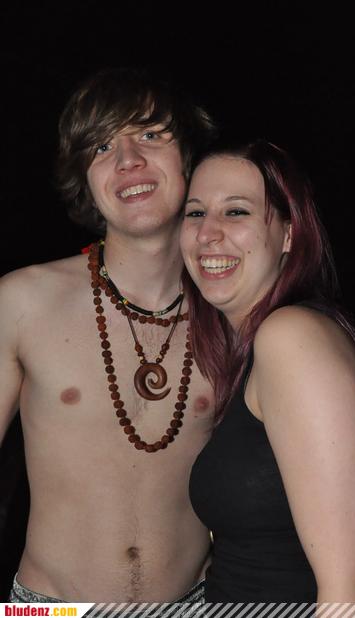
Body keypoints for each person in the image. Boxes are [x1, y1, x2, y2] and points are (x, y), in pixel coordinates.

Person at [0, 67, 217, 603]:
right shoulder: (21, 301)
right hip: (47, 610)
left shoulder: (232, 313)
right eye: (101, 146)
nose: (128, 160)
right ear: (85, 179)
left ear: (189, 158)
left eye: (150, 134)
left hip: (196, 605)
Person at [180, 139, 355, 602]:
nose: (207, 233)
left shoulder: (291, 337)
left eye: (236, 212)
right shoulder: (253, 352)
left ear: (289, 234)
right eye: (195, 213)